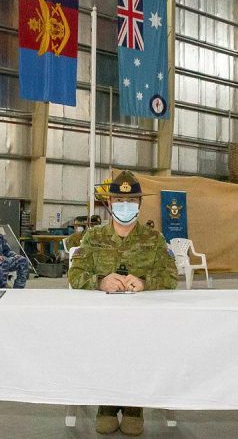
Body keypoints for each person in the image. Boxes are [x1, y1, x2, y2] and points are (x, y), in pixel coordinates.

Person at [68, 170, 178, 436]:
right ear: (109, 204)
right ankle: (106, 406)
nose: (124, 207)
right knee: (105, 356)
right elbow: (74, 274)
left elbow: (171, 275)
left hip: (143, 324)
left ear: (139, 205)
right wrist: (99, 281)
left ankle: (133, 407)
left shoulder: (155, 239)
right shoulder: (93, 238)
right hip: (101, 323)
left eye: (130, 202)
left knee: (138, 357)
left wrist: (144, 282)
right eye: (118, 201)